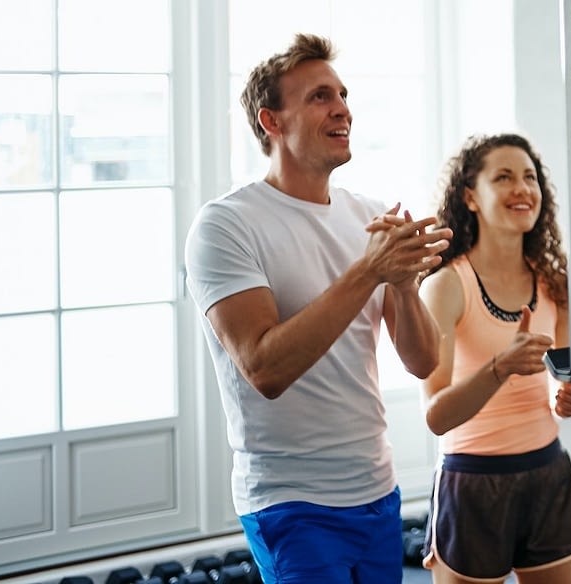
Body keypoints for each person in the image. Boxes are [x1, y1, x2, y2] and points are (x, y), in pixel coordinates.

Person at [184, 32, 452, 582]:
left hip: (377, 489)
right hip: (290, 501)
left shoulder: (371, 215)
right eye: (319, 97)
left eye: (343, 94)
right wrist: (370, 270)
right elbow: (265, 367)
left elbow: (425, 363)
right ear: (271, 122)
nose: (343, 109)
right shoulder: (226, 225)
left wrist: (402, 284)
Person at [417, 133, 571, 584]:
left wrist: (567, 397)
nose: (522, 189)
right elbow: (436, 416)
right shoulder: (446, 286)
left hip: (548, 473)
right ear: (470, 196)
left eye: (529, 177)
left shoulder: (554, 282)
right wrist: (498, 368)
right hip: (472, 482)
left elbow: (563, 381)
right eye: (503, 177)